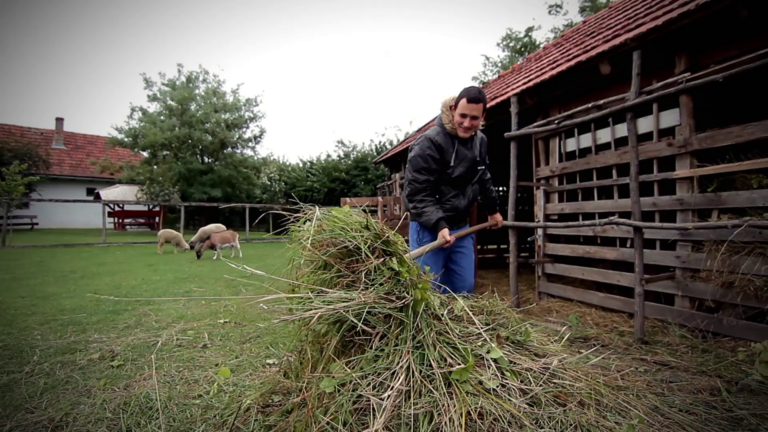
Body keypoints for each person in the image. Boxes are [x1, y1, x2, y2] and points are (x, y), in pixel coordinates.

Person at [403, 86, 503, 295]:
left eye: (474, 118)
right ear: (453, 109)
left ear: (483, 116)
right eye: (462, 116)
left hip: (460, 226)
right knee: (428, 290)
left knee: (463, 287)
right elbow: (417, 192)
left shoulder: (480, 141)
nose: (467, 123)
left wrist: (493, 209)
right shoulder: (429, 143)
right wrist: (439, 224)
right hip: (429, 227)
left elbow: (483, 176)